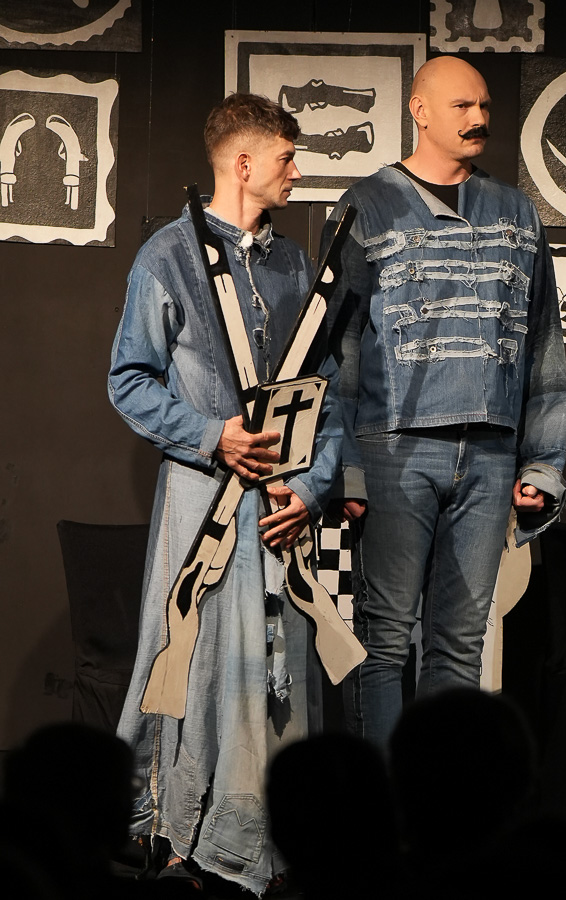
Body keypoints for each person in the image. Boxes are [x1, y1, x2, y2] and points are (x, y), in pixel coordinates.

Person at [109, 92, 344, 895]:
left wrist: (311, 487)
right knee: (198, 657)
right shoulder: (167, 257)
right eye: (286, 157)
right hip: (202, 499)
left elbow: (326, 391)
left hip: (279, 510)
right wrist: (214, 436)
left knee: (280, 669)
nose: (296, 172)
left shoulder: (293, 265)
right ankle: (183, 838)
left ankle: (268, 843)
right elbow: (129, 381)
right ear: (243, 164)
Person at [322, 56, 566, 747]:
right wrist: (344, 465)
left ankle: (437, 796)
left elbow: (543, 344)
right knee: (384, 638)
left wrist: (543, 463)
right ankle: (381, 797)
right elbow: (335, 350)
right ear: (419, 110)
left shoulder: (516, 212)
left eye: (484, 106)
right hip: (395, 447)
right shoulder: (366, 206)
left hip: (490, 454)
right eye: (462, 106)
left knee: (460, 645)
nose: (479, 118)